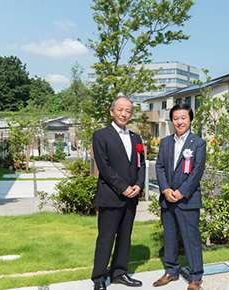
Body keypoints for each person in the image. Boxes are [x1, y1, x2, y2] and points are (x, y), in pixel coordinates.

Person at [91, 97, 145, 290]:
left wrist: (139, 185)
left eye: (128, 111)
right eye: (120, 110)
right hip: (111, 196)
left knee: (125, 236)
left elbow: (141, 165)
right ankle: (99, 278)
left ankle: (119, 273)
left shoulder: (135, 138)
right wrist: (123, 187)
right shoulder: (101, 136)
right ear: (111, 111)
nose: (124, 114)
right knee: (106, 238)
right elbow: (104, 167)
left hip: (132, 197)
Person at [153, 103, 206, 290]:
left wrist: (182, 191)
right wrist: (165, 189)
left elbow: (197, 171)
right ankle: (171, 271)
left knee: (191, 237)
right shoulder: (165, 142)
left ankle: (195, 276)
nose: (179, 121)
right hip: (167, 199)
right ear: (172, 120)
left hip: (187, 200)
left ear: (190, 120)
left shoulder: (198, 143)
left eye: (183, 117)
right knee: (169, 236)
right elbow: (159, 166)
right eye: (176, 118)